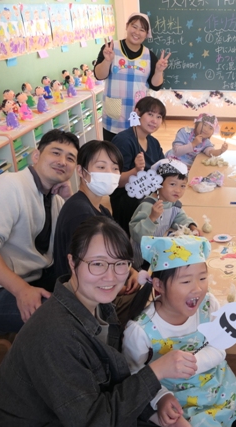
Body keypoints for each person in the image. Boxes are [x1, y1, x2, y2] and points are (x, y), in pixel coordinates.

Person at [0, 217, 200, 426]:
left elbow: (112, 383)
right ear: (73, 262)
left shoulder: (99, 307)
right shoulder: (55, 334)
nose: (110, 277)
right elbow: (93, 420)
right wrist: (156, 372)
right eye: (97, 264)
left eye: (120, 264)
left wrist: (153, 412)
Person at [123, 236, 236, 427]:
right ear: (158, 285)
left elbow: (219, 346)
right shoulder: (140, 330)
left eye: (203, 278)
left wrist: (192, 363)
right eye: (186, 281)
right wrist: (160, 397)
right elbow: (135, 374)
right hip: (180, 403)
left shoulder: (208, 304)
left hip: (222, 389)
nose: (197, 288)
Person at [0, 129, 79, 335]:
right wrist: (22, 290)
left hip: (30, 277)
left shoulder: (54, 197)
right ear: (36, 156)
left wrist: (69, 198)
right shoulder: (8, 187)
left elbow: (77, 235)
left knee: (86, 295)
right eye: (55, 153)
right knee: (66, 323)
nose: (62, 161)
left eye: (70, 158)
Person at [52, 140, 140, 326]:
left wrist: (131, 270)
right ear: (81, 171)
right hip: (82, 302)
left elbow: (112, 252)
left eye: (115, 168)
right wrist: (118, 284)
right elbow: (81, 272)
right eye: (101, 167)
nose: (109, 174)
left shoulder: (99, 208)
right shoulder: (81, 213)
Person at [94, 13, 171, 141]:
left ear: (146, 34)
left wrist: (158, 71)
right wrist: (107, 61)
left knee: (137, 150)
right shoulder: (111, 48)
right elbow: (99, 75)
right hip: (114, 117)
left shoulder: (149, 55)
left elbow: (155, 86)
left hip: (140, 115)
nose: (137, 32)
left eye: (142, 29)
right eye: (134, 27)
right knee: (112, 151)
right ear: (127, 26)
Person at [110, 96, 166, 233]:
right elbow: (115, 182)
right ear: (137, 113)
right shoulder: (124, 141)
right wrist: (136, 170)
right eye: (150, 114)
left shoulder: (153, 142)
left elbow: (163, 169)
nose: (154, 121)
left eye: (159, 117)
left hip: (149, 200)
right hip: (128, 204)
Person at [129, 159, 199, 269]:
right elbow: (137, 234)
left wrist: (191, 226)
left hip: (159, 252)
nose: (178, 190)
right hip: (143, 259)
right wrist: (152, 218)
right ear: (158, 184)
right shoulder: (148, 205)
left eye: (182, 185)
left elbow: (179, 217)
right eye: (172, 184)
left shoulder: (173, 203)